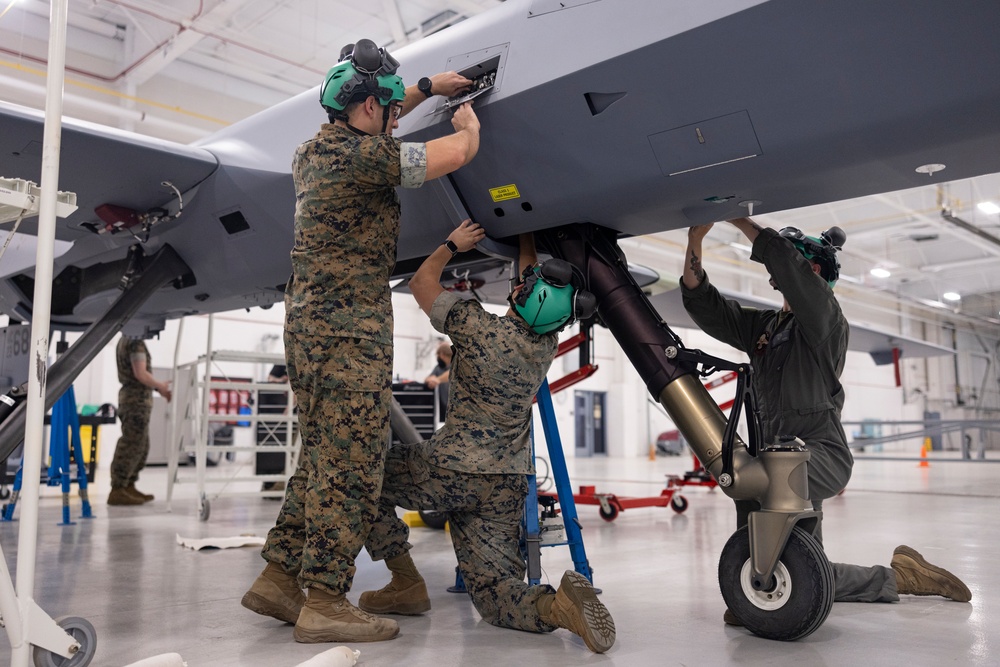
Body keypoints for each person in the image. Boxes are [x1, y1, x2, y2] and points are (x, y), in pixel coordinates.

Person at [242, 38, 480, 645]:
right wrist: (468, 120)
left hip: (314, 328)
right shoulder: (362, 157)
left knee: (323, 456)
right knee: (351, 464)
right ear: (367, 110)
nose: (397, 119)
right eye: (390, 110)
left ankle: (278, 579)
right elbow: (455, 153)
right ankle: (324, 598)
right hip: (348, 332)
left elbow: (379, 113)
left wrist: (427, 85)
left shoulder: (314, 151)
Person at [679, 217, 971, 625]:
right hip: (776, 454)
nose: (776, 272)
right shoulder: (766, 327)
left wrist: (739, 220)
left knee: (765, 489)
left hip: (818, 453)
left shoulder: (825, 322)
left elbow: (790, 269)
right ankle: (899, 576)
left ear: (811, 271)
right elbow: (705, 304)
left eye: (791, 265)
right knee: (802, 567)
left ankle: (759, 586)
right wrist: (696, 239)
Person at [359, 222, 615, 654]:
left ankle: (405, 581)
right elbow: (533, 288)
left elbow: (423, 282)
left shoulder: (476, 328)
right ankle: (558, 608)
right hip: (505, 484)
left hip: (451, 467)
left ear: (523, 296)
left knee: (360, 480)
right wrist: (527, 236)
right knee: (495, 594)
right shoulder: (545, 344)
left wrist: (450, 246)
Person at [107, 336, 171, 506]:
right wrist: (160, 387)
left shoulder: (125, 340)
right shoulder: (134, 341)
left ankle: (128, 485)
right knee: (132, 443)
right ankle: (118, 488)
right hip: (135, 401)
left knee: (141, 445)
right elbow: (140, 373)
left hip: (135, 400)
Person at [423, 340, 452, 417]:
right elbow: (427, 379)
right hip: (443, 408)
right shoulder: (438, 368)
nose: (437, 358)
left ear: (442, 355)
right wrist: (431, 380)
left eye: (437, 355)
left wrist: (437, 380)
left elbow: (451, 373)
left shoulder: (456, 364)